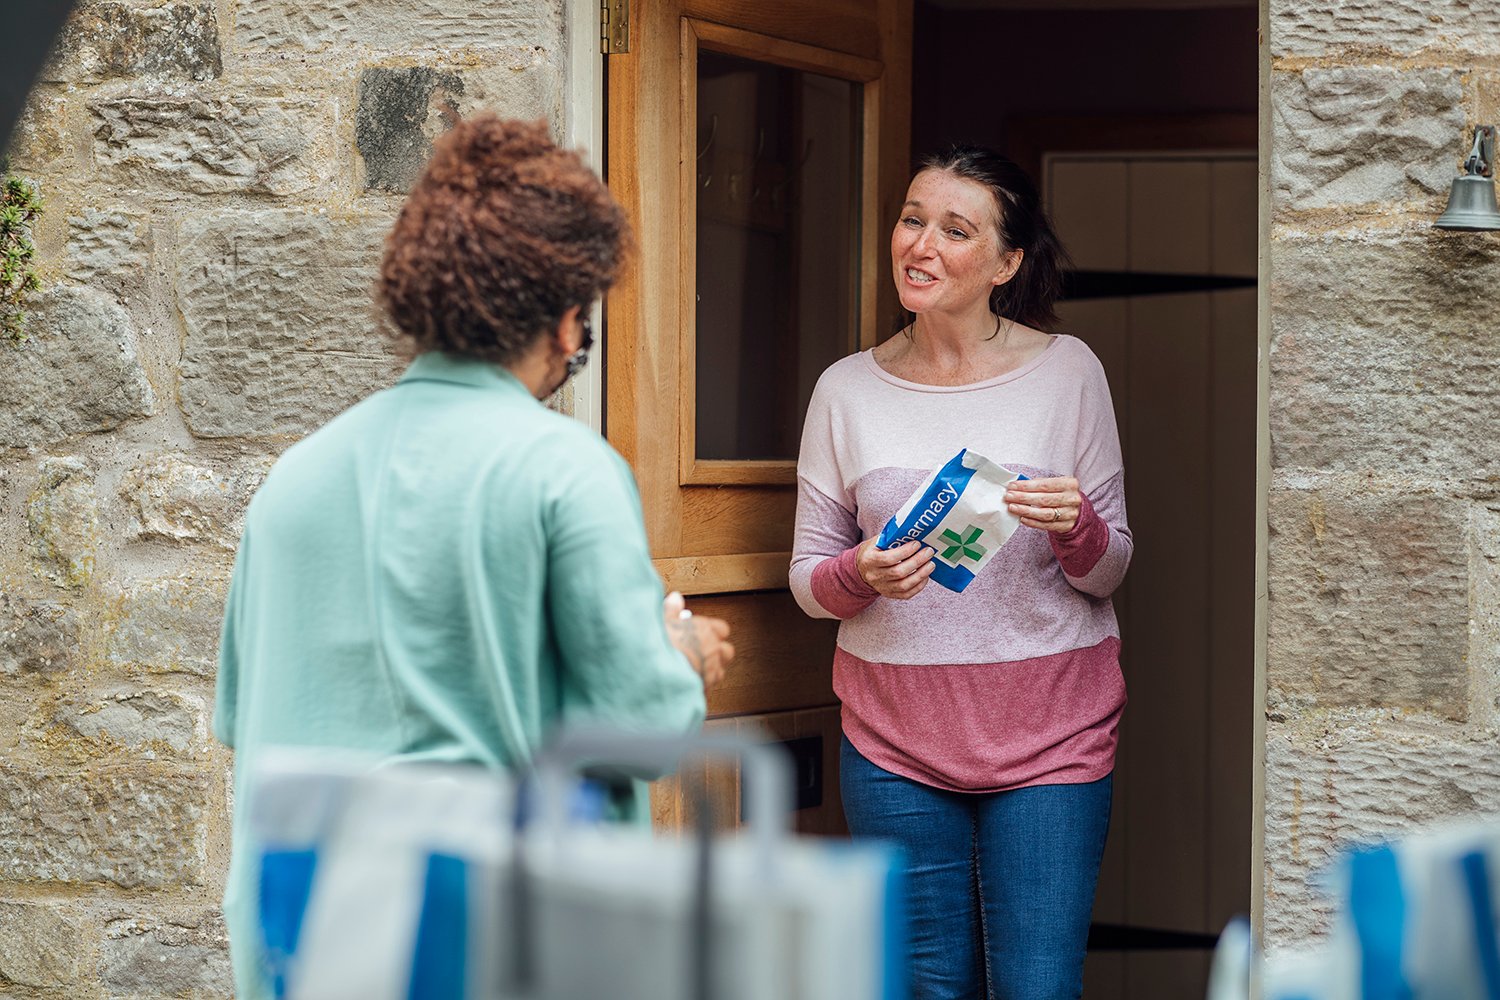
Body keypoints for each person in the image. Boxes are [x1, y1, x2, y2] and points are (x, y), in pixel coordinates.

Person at [213, 115, 735, 999]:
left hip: (302, 949)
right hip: (494, 946)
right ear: (570, 323)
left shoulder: (292, 483)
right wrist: (679, 658)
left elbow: (244, 719)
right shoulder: (565, 471)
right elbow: (639, 729)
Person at [790, 143, 1130, 1000]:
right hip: (894, 742)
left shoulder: (1068, 373)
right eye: (912, 220)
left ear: (1006, 263)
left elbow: (1110, 567)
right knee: (926, 987)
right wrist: (861, 572)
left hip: (1052, 737)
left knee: (1038, 987)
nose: (921, 245)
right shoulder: (845, 390)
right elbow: (806, 577)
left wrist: (1076, 527)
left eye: (954, 229)